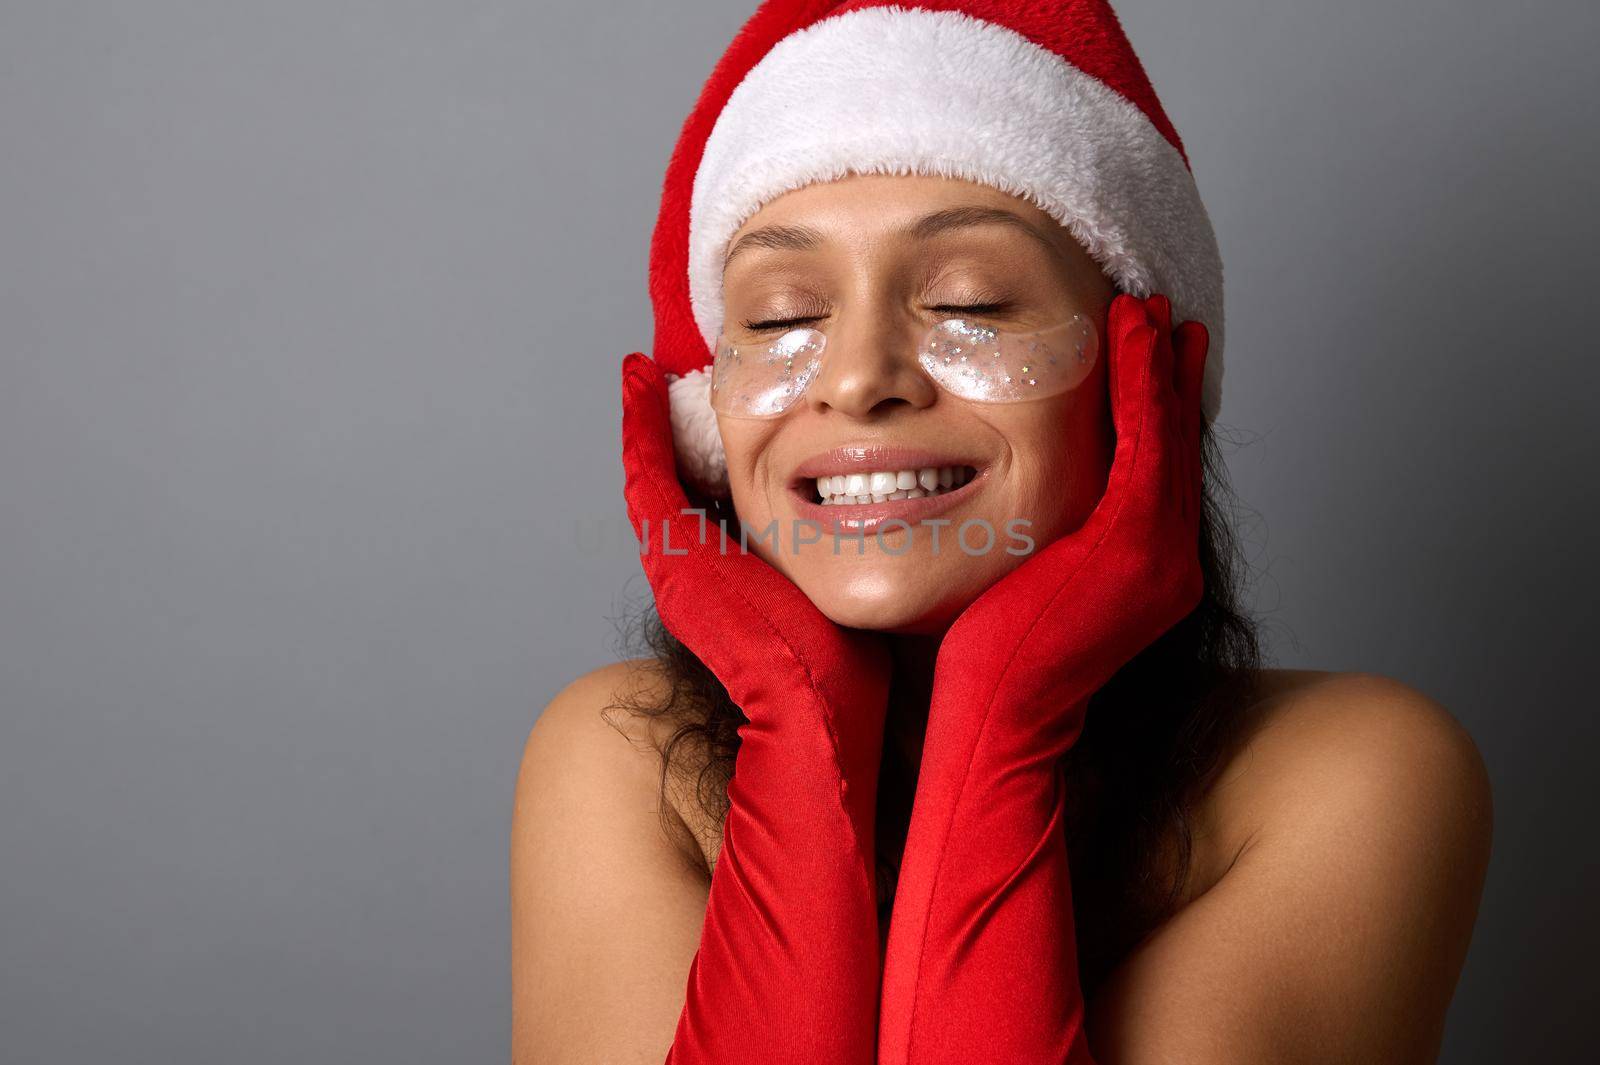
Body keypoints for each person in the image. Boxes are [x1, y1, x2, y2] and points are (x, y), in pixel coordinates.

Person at [511, 2, 1493, 1062]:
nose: (856, 378)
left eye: (970, 303)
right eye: (784, 318)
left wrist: (1004, 714)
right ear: (706, 426)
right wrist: (795, 719)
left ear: (1143, 386)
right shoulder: (617, 756)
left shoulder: (1350, 774)